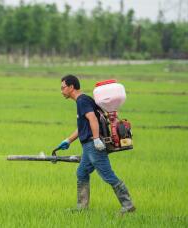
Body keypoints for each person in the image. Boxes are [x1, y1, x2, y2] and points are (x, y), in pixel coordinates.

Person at [57, 75, 136, 214]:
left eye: (63, 88)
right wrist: (68, 140)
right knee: (82, 172)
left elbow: (93, 119)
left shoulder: (82, 101)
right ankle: (82, 207)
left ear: (71, 87)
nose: (61, 91)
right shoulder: (84, 100)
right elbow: (83, 126)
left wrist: (95, 139)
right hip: (88, 146)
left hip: (93, 146)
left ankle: (128, 205)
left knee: (107, 174)